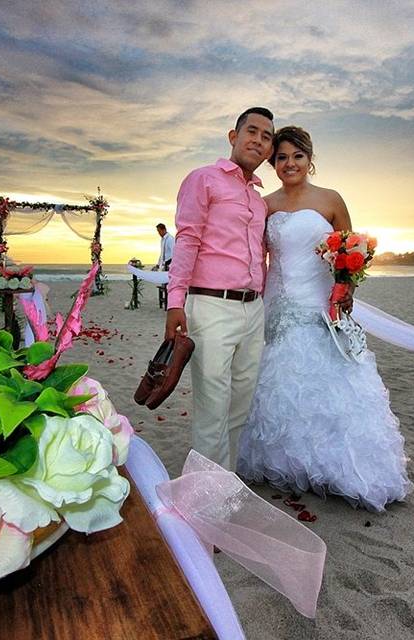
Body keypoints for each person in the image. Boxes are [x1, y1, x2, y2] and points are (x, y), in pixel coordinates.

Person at [236, 126, 412, 511]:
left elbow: (352, 251)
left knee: (329, 383)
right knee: (278, 382)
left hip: (320, 304)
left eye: (297, 156)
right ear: (273, 162)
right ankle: (281, 461)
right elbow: (257, 258)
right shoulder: (266, 205)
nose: (289, 164)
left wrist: (346, 287)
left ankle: (336, 470)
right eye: (281, 157)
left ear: (309, 159)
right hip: (277, 304)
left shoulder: (330, 199)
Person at [165, 107, 275, 470]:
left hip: (252, 309)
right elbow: (188, 240)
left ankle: (223, 482)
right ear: (234, 136)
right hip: (211, 306)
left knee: (239, 406)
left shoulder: (259, 201)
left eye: (267, 137)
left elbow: (260, 255)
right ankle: (205, 498)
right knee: (213, 407)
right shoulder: (203, 179)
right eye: (252, 131)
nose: (258, 140)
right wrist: (175, 302)